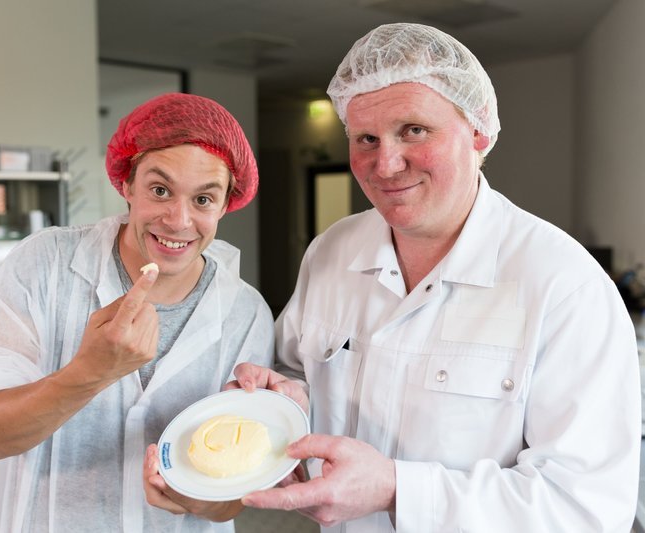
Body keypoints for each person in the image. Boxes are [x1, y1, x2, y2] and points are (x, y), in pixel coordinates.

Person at [231, 23, 641, 532]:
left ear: (479, 133)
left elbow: (585, 509)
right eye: (365, 138)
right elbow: (296, 372)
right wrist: (283, 396)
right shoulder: (332, 252)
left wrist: (399, 490)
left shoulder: (563, 285)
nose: (385, 163)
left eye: (413, 130)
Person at [0, 92, 274, 532]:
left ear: (226, 204)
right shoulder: (46, 265)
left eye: (203, 200)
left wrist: (198, 500)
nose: (179, 220)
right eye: (160, 190)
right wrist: (90, 372)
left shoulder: (245, 313)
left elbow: (232, 499)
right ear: (127, 183)